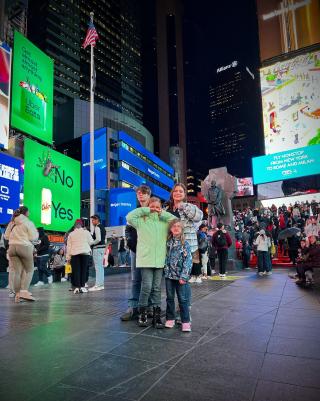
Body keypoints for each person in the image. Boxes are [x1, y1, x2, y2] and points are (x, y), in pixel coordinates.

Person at [126, 196, 175, 328]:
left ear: (161, 208)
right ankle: (142, 312)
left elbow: (175, 220)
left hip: (159, 260)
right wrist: (145, 210)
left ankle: (156, 314)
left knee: (156, 288)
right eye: (152, 206)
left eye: (157, 207)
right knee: (146, 287)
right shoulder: (141, 221)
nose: (154, 209)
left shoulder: (164, 222)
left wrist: (162, 212)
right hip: (145, 260)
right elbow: (129, 217)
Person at [121, 184, 152, 321]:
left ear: (149, 195)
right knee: (136, 279)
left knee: (149, 280)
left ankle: (149, 306)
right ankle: (133, 306)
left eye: (144, 192)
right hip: (136, 250)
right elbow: (128, 229)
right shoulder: (135, 212)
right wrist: (130, 242)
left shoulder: (154, 210)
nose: (140, 194)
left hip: (150, 250)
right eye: (139, 192)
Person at [164, 183, 203, 284]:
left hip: (188, 242)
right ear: (172, 194)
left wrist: (184, 207)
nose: (178, 193)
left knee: (192, 261)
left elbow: (199, 216)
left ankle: (197, 274)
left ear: (185, 194)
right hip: (173, 244)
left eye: (180, 191)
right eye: (175, 191)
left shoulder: (189, 206)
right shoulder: (167, 209)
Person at [4, 206, 39, 302]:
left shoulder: (12, 222)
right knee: (29, 270)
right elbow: (34, 237)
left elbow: (6, 236)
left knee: (16, 272)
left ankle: (17, 295)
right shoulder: (28, 222)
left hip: (12, 248)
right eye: (29, 212)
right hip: (24, 247)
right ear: (26, 213)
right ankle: (24, 291)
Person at [164, 219, 192, 332]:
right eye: (174, 226)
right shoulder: (168, 242)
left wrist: (184, 276)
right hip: (169, 276)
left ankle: (185, 321)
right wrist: (166, 271)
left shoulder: (185, 244)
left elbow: (188, 260)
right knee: (170, 298)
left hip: (180, 277)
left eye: (178, 227)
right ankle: (170, 318)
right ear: (170, 229)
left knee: (183, 299)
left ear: (181, 229)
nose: (176, 228)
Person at [66, 219, 94, 294]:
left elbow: (68, 247)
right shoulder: (86, 232)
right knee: (83, 270)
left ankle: (77, 287)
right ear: (82, 225)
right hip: (85, 253)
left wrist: (68, 258)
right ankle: (82, 286)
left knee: (76, 271)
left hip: (75, 254)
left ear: (75, 225)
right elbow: (91, 242)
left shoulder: (71, 234)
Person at [89, 214, 106, 291]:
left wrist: (91, 243)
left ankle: (98, 285)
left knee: (98, 268)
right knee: (100, 267)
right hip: (102, 249)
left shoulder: (97, 227)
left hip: (97, 248)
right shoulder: (103, 227)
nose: (92, 222)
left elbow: (98, 239)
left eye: (93, 220)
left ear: (97, 220)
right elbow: (104, 240)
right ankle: (101, 284)